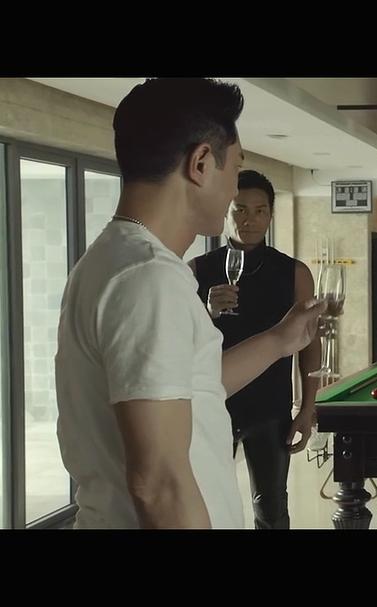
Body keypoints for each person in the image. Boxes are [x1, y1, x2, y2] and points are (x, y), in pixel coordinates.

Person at [54, 78, 323, 529]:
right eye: (235, 167)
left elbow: (192, 384)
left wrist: (280, 339)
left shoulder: (120, 259)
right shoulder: (148, 278)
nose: (235, 190)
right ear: (200, 164)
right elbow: (159, 485)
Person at [190, 169, 320, 529]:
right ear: (227, 211)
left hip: (271, 408)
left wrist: (307, 408)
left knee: (272, 510)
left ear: (270, 215)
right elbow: (178, 341)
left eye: (260, 211)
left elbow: (310, 343)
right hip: (212, 407)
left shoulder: (294, 272)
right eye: (241, 210)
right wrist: (207, 311)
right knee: (208, 505)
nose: (250, 220)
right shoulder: (197, 270)